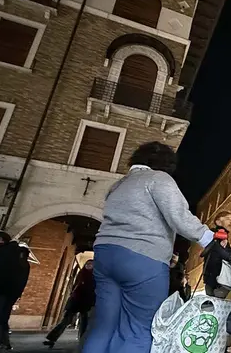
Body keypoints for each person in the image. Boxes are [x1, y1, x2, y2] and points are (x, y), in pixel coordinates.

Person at [82, 142, 215, 353]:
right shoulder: (158, 179)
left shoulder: (118, 186)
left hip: (105, 254)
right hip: (142, 258)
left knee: (104, 326)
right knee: (138, 329)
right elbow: (178, 217)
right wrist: (209, 239)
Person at [44, 260, 96, 348]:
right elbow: (75, 287)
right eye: (87, 264)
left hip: (87, 302)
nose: (88, 265)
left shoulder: (93, 276)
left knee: (84, 324)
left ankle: (82, 342)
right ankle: (52, 339)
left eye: (91, 264)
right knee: (66, 320)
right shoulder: (81, 274)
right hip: (76, 301)